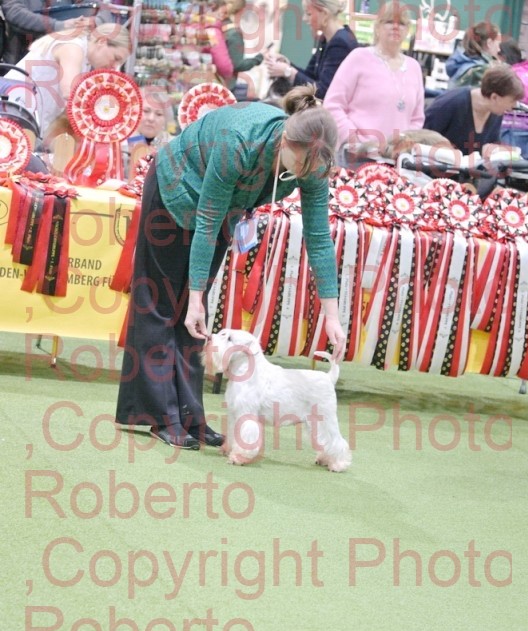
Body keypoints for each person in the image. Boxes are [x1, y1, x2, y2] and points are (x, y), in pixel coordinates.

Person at [116, 86, 346, 449]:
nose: (305, 175)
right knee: (162, 303)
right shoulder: (237, 141)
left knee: (194, 318)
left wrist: (332, 315)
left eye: (312, 170)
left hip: (223, 207)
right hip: (175, 188)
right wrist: (196, 296)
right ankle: (159, 416)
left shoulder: (314, 163)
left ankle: (189, 417)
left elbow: (318, 237)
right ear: (285, 141)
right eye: (300, 166)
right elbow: (207, 221)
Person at [323, 1, 424, 162]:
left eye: (402, 23)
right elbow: (333, 104)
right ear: (377, 27)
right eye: (389, 21)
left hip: (397, 161)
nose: (396, 27)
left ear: (408, 30)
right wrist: (355, 140)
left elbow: (417, 118)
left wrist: (404, 145)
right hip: (356, 157)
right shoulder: (358, 58)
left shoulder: (414, 68)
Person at [2, 23, 131, 138]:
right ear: (102, 41)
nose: (115, 67)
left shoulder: (84, 59)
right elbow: (69, 92)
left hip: (21, 118)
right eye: (116, 58)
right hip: (9, 112)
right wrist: (104, 113)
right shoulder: (73, 47)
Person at [263, 0, 358, 100]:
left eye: (309, 14)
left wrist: (288, 72)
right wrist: (287, 64)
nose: (304, 18)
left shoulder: (340, 43)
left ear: (324, 14)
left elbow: (323, 92)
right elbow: (310, 76)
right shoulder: (326, 40)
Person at [423, 64, 524, 155]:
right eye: (512, 101)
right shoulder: (449, 103)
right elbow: (422, 137)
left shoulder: (496, 112)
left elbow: (492, 144)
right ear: (494, 97)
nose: (513, 106)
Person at [220, 0, 265, 94]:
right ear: (242, 10)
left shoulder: (220, 24)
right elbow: (238, 65)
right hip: (225, 85)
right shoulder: (234, 34)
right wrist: (259, 58)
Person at [445, 22, 501, 88]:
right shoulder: (482, 70)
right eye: (498, 44)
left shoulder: (462, 62)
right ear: (489, 43)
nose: (499, 49)